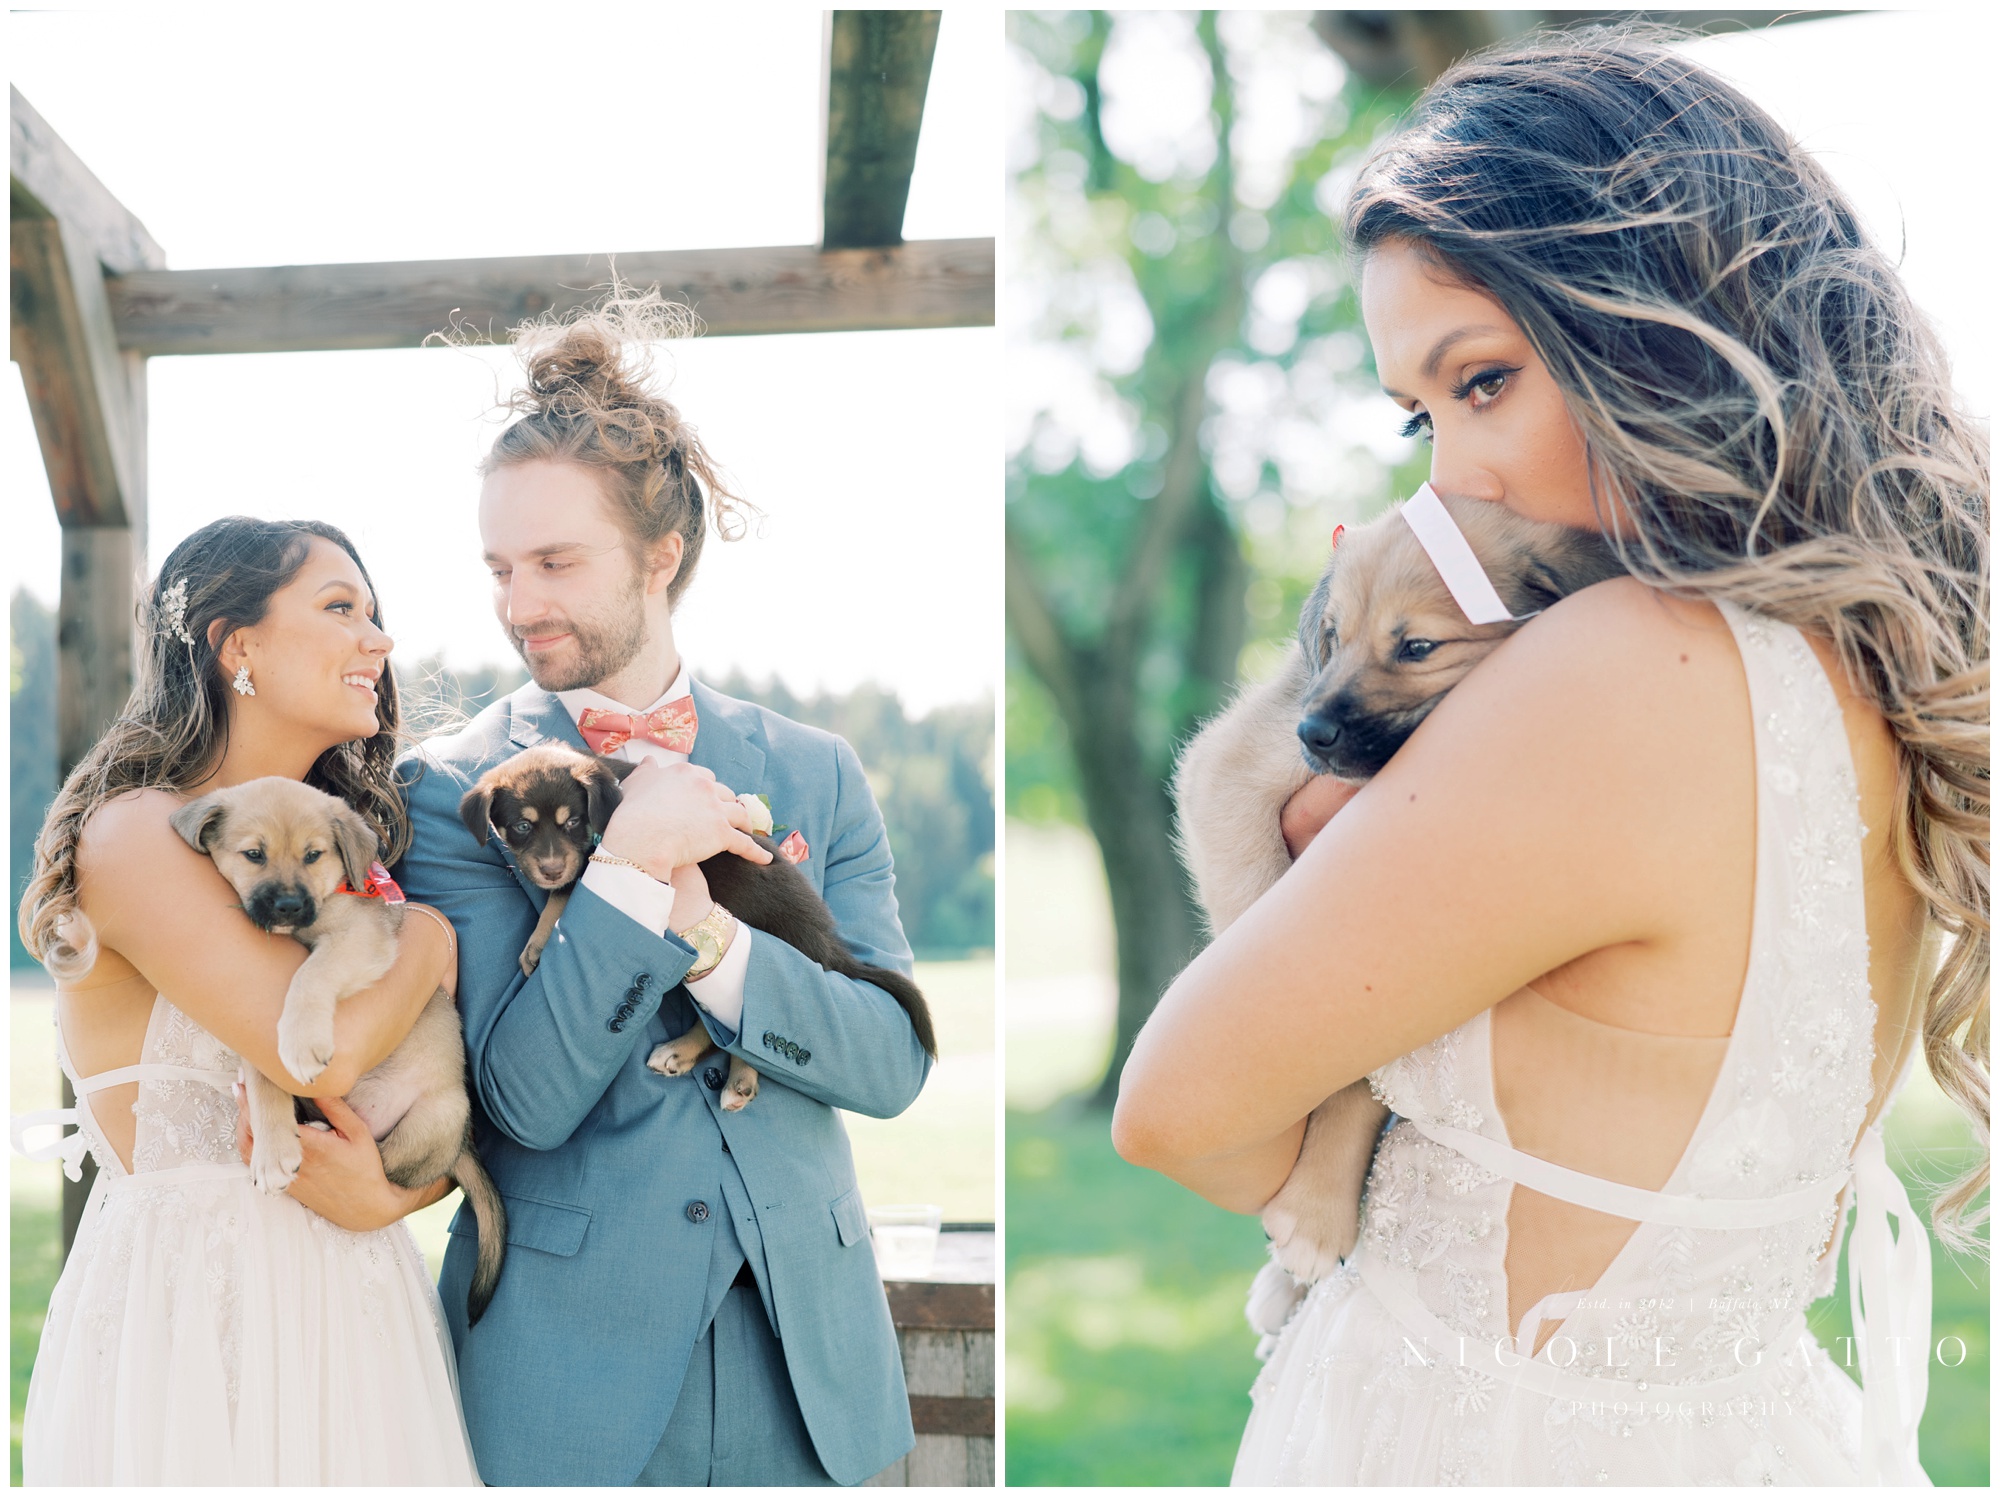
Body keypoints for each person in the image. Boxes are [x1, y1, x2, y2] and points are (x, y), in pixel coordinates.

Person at [1114, 28, 1986, 1488]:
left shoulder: (1623, 662)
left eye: (1484, 381)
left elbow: (1180, 1112)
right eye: (1417, 411)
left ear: (1652, 322)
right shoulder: (1876, 664)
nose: (1450, 475)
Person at [393, 289, 932, 1486]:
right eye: (497, 567)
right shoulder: (450, 791)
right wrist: (629, 871)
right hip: (568, 1387)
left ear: (661, 556)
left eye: (554, 561)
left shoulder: (813, 769)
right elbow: (520, 1098)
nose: (518, 602)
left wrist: (710, 940)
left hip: (808, 1376)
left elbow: (891, 1062)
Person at [14, 518, 480, 1484]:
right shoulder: (142, 836)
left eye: (377, 612)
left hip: (352, 1314)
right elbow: (323, 1056)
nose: (379, 640)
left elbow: (409, 1102)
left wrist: (398, 1191)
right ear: (239, 648)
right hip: (196, 1326)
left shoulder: (340, 847)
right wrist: (429, 939)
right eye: (341, 607)